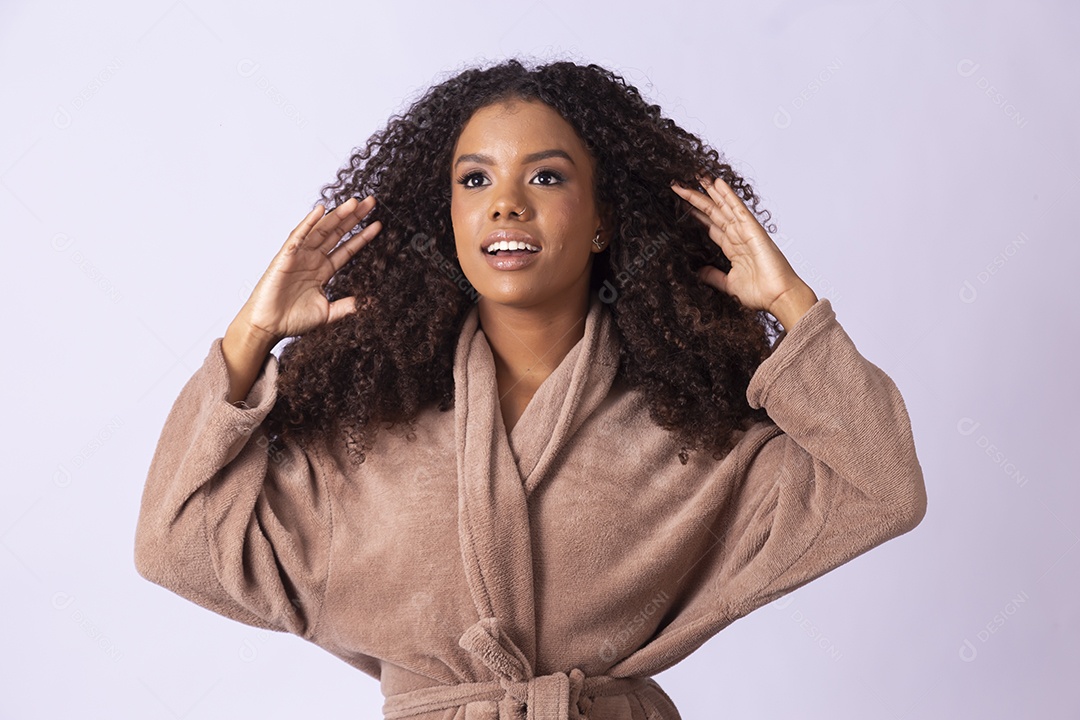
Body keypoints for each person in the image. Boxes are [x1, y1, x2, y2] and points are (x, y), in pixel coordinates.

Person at [134, 58, 927, 719]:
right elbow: (176, 545)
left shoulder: (687, 436)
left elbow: (883, 486)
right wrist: (251, 335)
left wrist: (792, 307)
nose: (505, 202)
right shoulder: (364, 434)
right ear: (448, 218)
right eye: (474, 180)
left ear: (602, 220)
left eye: (545, 176)